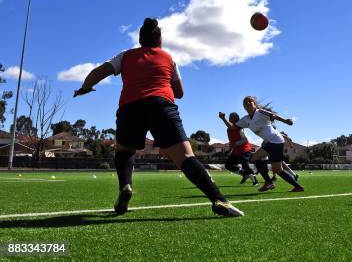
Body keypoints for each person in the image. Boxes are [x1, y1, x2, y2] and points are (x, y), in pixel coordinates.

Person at [74, 18, 243, 217]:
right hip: (161, 106)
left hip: (130, 108)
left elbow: (97, 73)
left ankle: (125, 186)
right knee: (186, 157)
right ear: (159, 40)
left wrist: (85, 88)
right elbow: (179, 92)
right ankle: (219, 200)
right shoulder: (168, 58)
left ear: (140, 39)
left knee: (125, 150)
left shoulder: (125, 56)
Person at [220, 96, 304, 192]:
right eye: (245, 102)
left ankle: (279, 184)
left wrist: (286, 121)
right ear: (244, 107)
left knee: (276, 169)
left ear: (254, 103)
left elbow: (274, 115)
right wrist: (223, 118)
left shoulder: (260, 112)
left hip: (276, 141)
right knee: (259, 160)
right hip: (270, 142)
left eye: (250, 101)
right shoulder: (246, 119)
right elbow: (232, 128)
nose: (248, 103)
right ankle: (274, 183)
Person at [219, 112, 258, 185]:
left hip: (245, 149)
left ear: (236, 119)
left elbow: (245, 139)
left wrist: (236, 144)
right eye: (230, 117)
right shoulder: (228, 130)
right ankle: (244, 174)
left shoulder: (240, 127)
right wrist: (229, 150)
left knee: (245, 164)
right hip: (236, 151)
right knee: (228, 165)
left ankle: (255, 181)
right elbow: (231, 141)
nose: (230, 119)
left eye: (232, 117)